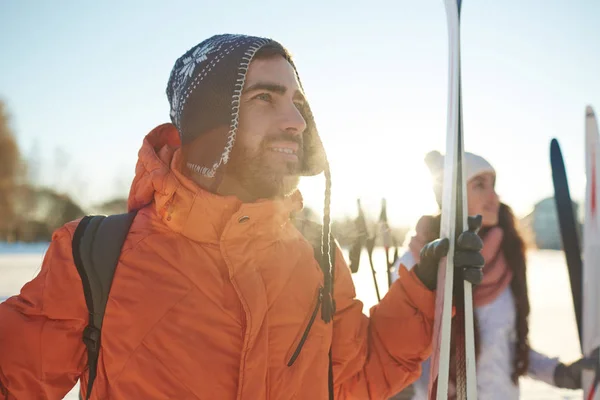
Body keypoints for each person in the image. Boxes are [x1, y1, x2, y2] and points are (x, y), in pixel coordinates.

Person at [0, 34, 486, 400]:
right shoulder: (97, 256)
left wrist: (423, 287)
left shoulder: (316, 257)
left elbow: (353, 379)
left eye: (297, 102)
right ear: (212, 125)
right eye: (264, 98)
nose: (296, 120)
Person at [391, 150, 598, 400]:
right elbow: (399, 347)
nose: (494, 197)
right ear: (452, 196)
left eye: (494, 186)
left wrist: (557, 373)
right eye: (479, 185)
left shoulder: (507, 259)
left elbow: (506, 347)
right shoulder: (416, 264)